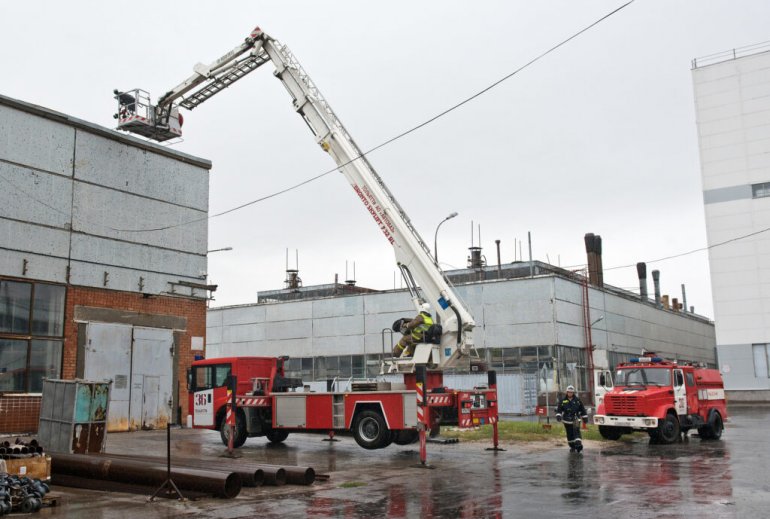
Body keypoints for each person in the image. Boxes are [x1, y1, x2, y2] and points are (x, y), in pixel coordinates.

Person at [555, 385, 588, 453]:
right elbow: (559, 410)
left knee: (576, 431)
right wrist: (558, 416)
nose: (570, 393)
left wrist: (585, 417)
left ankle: (578, 445)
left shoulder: (578, 400)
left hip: (576, 419)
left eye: (571, 392)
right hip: (566, 421)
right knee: (569, 434)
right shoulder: (563, 401)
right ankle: (572, 446)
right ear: (567, 392)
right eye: (569, 392)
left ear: (573, 393)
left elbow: (582, 409)